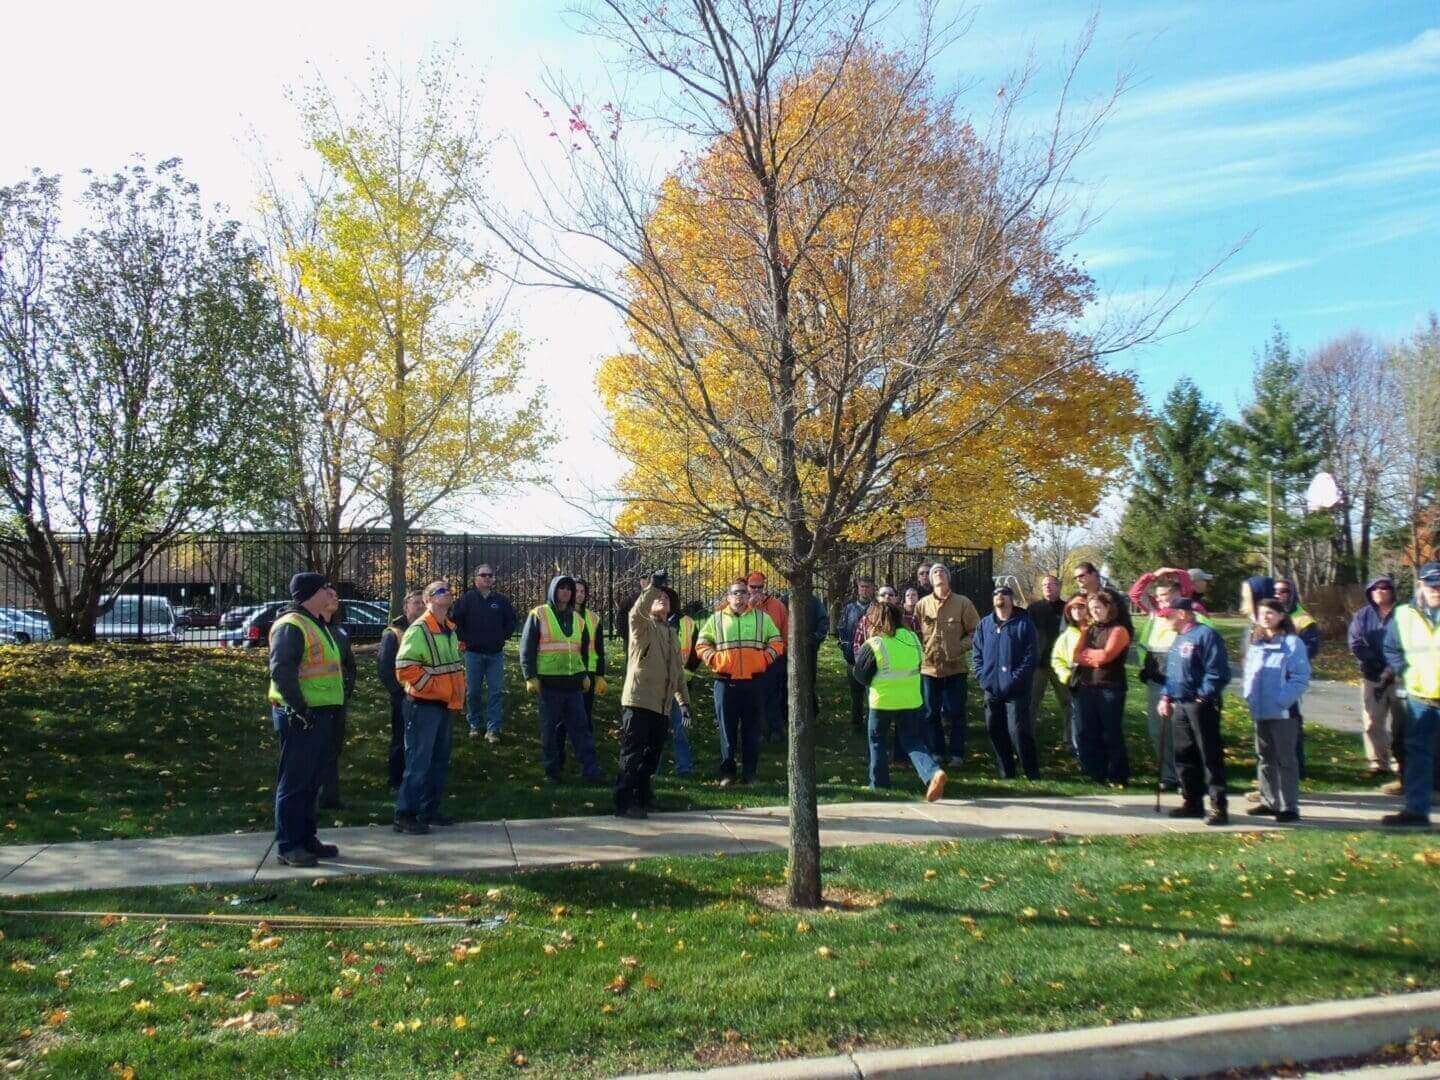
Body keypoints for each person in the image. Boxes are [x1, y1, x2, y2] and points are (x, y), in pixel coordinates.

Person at [267, 572, 348, 867]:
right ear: (312, 592)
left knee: (312, 780)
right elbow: (282, 671)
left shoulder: (320, 624)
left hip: (322, 712)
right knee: (295, 781)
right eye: (328, 588)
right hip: (301, 716)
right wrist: (300, 709)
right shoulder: (291, 625)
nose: (332, 592)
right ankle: (288, 845)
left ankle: (306, 837)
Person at [852, 600, 947, 800]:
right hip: (911, 700)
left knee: (877, 741)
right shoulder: (912, 638)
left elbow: (860, 675)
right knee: (913, 741)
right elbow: (920, 661)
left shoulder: (875, 643)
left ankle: (879, 786)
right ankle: (932, 772)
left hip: (882, 702)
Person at [615, 573, 691, 818]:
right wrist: (653, 587)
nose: (663, 599)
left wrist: (684, 702)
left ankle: (643, 797)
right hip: (639, 701)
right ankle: (624, 801)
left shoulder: (671, 634)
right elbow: (635, 612)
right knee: (632, 753)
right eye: (658, 598)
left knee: (651, 757)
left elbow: (678, 673)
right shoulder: (642, 627)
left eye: (667, 598)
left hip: (662, 706)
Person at [393, 580, 466, 834]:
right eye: (439, 591)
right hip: (423, 706)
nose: (446, 593)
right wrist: (432, 687)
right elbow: (404, 668)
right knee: (418, 761)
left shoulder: (449, 629)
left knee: (438, 761)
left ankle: (429, 810)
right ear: (428, 600)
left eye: (448, 590)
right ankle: (405, 814)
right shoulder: (420, 629)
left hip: (443, 705)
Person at [696, 578, 782, 786]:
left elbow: (777, 642)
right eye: (735, 592)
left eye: (743, 592)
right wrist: (716, 660)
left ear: (749, 595)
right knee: (727, 730)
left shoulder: (761, 618)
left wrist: (763, 660)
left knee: (752, 731)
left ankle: (750, 774)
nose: (739, 596)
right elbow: (701, 644)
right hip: (725, 683)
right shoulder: (716, 619)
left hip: (754, 682)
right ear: (728, 597)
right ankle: (728, 773)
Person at [519, 574, 600, 785]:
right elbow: (526, 648)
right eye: (561, 588)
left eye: (569, 589)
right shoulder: (539, 614)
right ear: (553, 590)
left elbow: (582, 651)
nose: (566, 592)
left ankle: (590, 772)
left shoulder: (578, 619)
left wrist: (584, 675)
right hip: (549, 685)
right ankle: (552, 772)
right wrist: (530, 676)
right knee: (550, 731)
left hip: (573, 685)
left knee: (581, 730)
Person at [1157, 598, 1231, 825]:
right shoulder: (1179, 639)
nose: (1165, 619)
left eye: (1168, 614)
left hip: (1200, 705)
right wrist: (1166, 696)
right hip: (1179, 703)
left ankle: (1218, 807)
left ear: (1182, 614)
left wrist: (1203, 695)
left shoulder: (1205, 635)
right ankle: (1192, 802)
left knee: (1208, 755)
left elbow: (1217, 671)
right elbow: (1172, 674)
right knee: (1184, 754)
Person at [1380, 562, 1440, 827]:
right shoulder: (1403, 615)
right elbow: (1391, 647)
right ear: (1421, 586)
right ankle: (1417, 811)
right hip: (1420, 698)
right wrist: (1404, 669)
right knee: (1418, 755)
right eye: (1432, 584)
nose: (1436, 589)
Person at [1241, 598, 1311, 822]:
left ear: (1282, 616)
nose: (1265, 616)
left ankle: (1289, 806)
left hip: (1283, 713)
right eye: (1262, 613)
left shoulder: (1292, 643)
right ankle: (1268, 801)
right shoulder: (1256, 643)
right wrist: (1249, 697)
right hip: (1260, 711)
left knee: (1286, 759)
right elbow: (1249, 673)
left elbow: (1300, 678)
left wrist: (1282, 701)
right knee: (1265, 757)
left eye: (1271, 612)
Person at [914, 563, 981, 766]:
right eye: (934, 572)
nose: (938, 573)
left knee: (956, 712)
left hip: (955, 668)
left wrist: (959, 647)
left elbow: (976, 631)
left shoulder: (963, 603)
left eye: (942, 570)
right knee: (930, 712)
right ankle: (937, 751)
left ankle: (957, 753)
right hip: (929, 668)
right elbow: (913, 633)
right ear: (930, 580)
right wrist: (920, 651)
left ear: (948, 578)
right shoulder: (922, 604)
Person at [1132, 576, 1194, 792]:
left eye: (1165, 596)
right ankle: (1168, 775)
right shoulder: (1154, 616)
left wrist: (1174, 571)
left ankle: (1186, 776)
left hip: (1180, 682)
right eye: (1158, 596)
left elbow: (1187, 583)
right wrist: (1151, 576)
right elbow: (1134, 595)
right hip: (1155, 679)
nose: (1161, 601)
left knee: (1181, 732)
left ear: (1178, 595)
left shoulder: (1186, 617)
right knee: (1157, 731)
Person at [972, 586, 1040, 779]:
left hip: (1017, 690)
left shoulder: (1024, 624)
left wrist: (1015, 679)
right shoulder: (985, 624)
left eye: (1004, 594)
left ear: (1012, 599)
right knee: (995, 730)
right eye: (995, 594)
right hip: (992, 689)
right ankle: (1006, 772)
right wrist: (983, 676)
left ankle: (1031, 773)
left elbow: (1030, 657)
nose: (999, 597)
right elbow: (977, 654)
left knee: (1018, 732)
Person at [1349, 575, 1407, 788]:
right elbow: (1355, 643)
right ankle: (1378, 763)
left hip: (1401, 677)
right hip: (1372, 677)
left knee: (1402, 724)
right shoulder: (1362, 615)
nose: (1381, 591)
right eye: (1376, 588)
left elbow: (1411, 642)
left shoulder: (1404, 614)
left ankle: (1403, 765)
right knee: (1373, 722)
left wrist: (1394, 667)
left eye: (1385, 587)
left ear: (1392, 590)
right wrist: (1377, 665)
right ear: (1370, 592)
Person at [450, 565, 517, 744]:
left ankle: (493, 729)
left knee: (495, 692)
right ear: (476, 579)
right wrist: (465, 639)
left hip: (495, 654)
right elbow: (455, 621)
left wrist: (502, 637)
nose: (487, 578)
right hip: (473, 654)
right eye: (483, 575)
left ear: (493, 579)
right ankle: (475, 724)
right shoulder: (467, 599)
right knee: (473, 692)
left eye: (490, 575)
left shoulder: (501, 600)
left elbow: (511, 621)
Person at [1071, 590, 1131, 785]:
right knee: (1089, 731)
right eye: (1091, 608)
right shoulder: (1088, 630)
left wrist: (1089, 656)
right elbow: (1075, 655)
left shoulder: (1119, 631)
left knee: (1111, 732)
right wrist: (1092, 656)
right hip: (1086, 687)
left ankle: (1118, 774)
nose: (1095, 611)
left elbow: (1107, 656)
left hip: (1110, 688)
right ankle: (1095, 772)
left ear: (1108, 608)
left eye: (1098, 607)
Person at [378, 591, 425, 791]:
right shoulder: (393, 633)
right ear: (405, 607)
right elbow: (384, 666)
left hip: (427, 694)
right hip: (404, 696)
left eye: (423, 603)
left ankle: (418, 779)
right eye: (416, 603)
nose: (420, 607)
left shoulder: (428, 629)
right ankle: (396, 781)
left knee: (422, 740)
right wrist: (398, 693)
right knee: (401, 738)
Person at [1274, 578, 1319, 777]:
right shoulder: (1266, 615)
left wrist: (1288, 663)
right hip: (1269, 680)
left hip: (1290, 680)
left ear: (1291, 593)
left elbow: (1311, 648)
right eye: (1275, 591)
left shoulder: (1303, 619)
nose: (1278, 595)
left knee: (1292, 724)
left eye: (1283, 591)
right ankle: (1274, 770)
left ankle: (1297, 768)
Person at [316, 602, 357, 810]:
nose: (333, 599)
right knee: (315, 750)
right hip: (314, 701)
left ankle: (330, 796)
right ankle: (313, 797)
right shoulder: (309, 628)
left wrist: (347, 688)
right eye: (328, 595)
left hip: (337, 699)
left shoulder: (339, 631)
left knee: (333, 748)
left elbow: (349, 664)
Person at [745, 573, 789, 741]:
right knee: (753, 696)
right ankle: (758, 731)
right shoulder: (742, 605)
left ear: (765, 587)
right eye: (753, 587)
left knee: (773, 695)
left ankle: (776, 729)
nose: (756, 590)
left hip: (773, 658)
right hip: (750, 658)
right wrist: (750, 607)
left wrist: (781, 652)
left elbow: (786, 631)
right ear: (747, 587)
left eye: (759, 587)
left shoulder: (777, 606)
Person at [1028, 575, 1071, 739]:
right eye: (1044, 584)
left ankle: (1070, 739)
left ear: (1059, 587)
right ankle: (1027, 737)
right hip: (1038, 665)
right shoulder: (1033, 609)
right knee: (1032, 703)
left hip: (1061, 665)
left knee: (1068, 703)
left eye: (1051, 584)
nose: (1047, 587)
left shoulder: (1067, 608)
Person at [669, 596, 704, 777]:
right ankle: (651, 768)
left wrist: (690, 670)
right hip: (656, 685)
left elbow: (698, 649)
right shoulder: (649, 622)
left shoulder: (689, 624)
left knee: (680, 727)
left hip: (681, 683)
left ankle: (684, 766)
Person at [837, 577, 877, 731]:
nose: (864, 589)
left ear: (873, 589)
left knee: (871, 692)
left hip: (873, 657)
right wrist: (845, 647)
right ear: (858, 588)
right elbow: (841, 628)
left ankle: (872, 723)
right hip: (852, 658)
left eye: (868, 587)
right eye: (862, 586)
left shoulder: (877, 608)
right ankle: (856, 722)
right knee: (855, 692)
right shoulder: (849, 608)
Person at [1050, 596, 1088, 756]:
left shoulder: (1094, 629)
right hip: (1076, 682)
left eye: (1081, 607)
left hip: (1097, 681)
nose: (1077, 611)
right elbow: (1056, 659)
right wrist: (1066, 676)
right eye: (1074, 608)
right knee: (1076, 716)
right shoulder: (1066, 635)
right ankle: (1079, 751)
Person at [574, 578, 608, 727]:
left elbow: (600, 649)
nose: (580, 594)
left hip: (589, 671)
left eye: (583, 591)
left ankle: (585, 747)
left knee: (585, 714)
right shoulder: (558, 615)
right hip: (565, 672)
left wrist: (600, 675)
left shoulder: (593, 618)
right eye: (576, 591)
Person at [1129, 566, 1208, 616]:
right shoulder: (1156, 608)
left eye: (1163, 594)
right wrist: (1154, 576)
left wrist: (1180, 575)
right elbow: (1135, 595)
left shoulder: (1194, 608)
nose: (1157, 599)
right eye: (1157, 595)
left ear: (1179, 592)